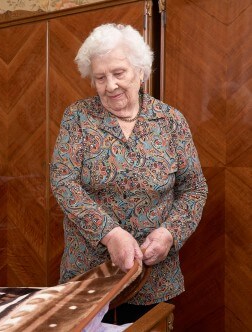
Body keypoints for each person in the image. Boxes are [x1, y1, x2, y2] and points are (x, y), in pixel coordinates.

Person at [50, 23, 208, 324]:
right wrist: (110, 235)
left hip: (154, 272)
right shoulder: (78, 118)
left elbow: (193, 188)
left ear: (140, 71)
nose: (110, 85)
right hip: (90, 270)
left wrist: (170, 234)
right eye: (100, 77)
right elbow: (64, 182)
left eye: (118, 73)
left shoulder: (170, 121)